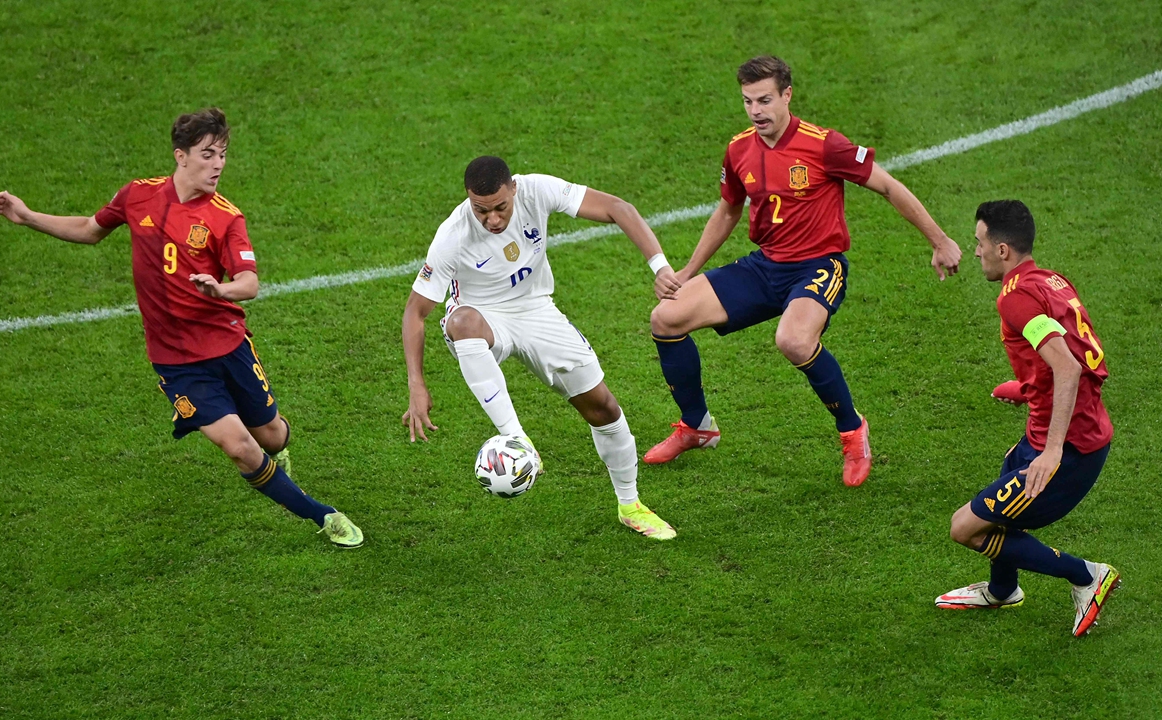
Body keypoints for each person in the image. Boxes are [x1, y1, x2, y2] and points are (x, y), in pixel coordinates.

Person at [0, 108, 364, 548]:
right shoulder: (137, 196)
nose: (218, 164)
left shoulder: (225, 217)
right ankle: (324, 516)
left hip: (228, 347)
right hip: (177, 362)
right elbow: (91, 229)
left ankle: (280, 453)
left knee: (271, 434)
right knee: (240, 447)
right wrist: (28, 216)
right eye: (208, 154)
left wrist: (221, 291)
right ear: (181, 156)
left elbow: (250, 283)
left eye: (222, 154)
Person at [645, 55, 962, 486]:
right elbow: (727, 211)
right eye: (747, 102)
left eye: (764, 100)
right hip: (765, 266)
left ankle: (853, 431)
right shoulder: (739, 148)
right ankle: (698, 426)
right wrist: (687, 271)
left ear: (787, 95)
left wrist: (939, 240)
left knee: (793, 340)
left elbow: (887, 185)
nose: (756, 111)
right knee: (665, 318)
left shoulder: (824, 144)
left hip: (818, 265)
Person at [402, 156, 680, 540]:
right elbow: (415, 314)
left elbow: (619, 208)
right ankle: (516, 438)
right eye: (481, 210)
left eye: (500, 207)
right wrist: (417, 383)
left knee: (603, 407)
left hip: (536, 310)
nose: (492, 219)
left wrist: (660, 267)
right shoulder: (453, 234)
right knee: (461, 321)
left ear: (513, 188)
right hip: (484, 317)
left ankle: (630, 506)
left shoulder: (536, 189)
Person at [935, 200, 1118, 637]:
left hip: (1070, 449)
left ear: (1002, 250)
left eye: (979, 242)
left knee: (965, 527)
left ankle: (1086, 575)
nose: (974, 251)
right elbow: (1073, 358)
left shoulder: (1015, 300)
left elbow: (1069, 366)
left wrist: (1052, 452)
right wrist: (1026, 389)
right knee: (1005, 482)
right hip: (1069, 428)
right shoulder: (1051, 280)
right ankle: (1003, 590)